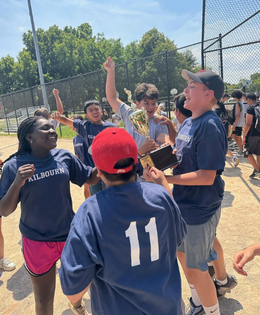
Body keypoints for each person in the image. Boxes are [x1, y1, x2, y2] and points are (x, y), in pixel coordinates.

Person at [59, 127, 187, 315]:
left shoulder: (90, 212)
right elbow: (178, 238)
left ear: (99, 171)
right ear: (136, 160)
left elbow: (73, 290)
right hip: (168, 308)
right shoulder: (161, 196)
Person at [0, 116, 99, 315]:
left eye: (52, 127)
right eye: (46, 128)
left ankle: (76, 304)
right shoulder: (14, 166)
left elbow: (91, 176)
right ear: (30, 137)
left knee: (81, 281)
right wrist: (17, 182)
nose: (53, 131)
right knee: (44, 298)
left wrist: (112, 158)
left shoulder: (63, 156)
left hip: (68, 236)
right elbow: (4, 209)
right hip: (37, 241)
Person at [161, 69, 231, 315]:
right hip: (183, 203)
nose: (185, 90)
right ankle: (199, 303)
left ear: (208, 93)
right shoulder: (189, 122)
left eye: (192, 85)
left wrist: (165, 178)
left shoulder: (210, 124)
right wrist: (161, 156)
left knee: (197, 268)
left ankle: (211, 310)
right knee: (184, 258)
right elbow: (182, 157)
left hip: (199, 208)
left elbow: (207, 176)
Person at [104, 57, 176, 156]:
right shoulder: (129, 114)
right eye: (146, 103)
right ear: (137, 104)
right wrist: (111, 72)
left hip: (153, 169)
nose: (151, 107)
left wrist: (156, 149)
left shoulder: (159, 122)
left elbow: (163, 156)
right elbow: (112, 98)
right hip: (132, 167)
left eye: (153, 103)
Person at [52, 100, 116, 195]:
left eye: (96, 109)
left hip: (110, 172)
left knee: (112, 197)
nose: (94, 112)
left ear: (101, 111)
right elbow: (66, 121)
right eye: (90, 110)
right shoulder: (85, 126)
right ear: (86, 115)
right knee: (97, 199)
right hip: (94, 173)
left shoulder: (111, 127)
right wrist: (57, 117)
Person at [214, 99, 239, 167]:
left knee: (221, 146)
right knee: (223, 146)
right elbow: (228, 123)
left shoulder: (215, 112)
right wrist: (228, 132)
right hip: (224, 130)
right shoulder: (225, 112)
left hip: (218, 131)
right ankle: (231, 157)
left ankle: (233, 157)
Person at [71, 114, 91, 199]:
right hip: (83, 167)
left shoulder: (86, 136)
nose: (70, 124)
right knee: (86, 188)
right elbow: (77, 155)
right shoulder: (75, 138)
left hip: (91, 167)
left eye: (72, 122)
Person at [242, 92, 260, 178]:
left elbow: (248, 124)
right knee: (258, 153)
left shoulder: (250, 108)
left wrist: (244, 136)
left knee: (247, 152)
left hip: (252, 134)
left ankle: (257, 169)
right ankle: (258, 170)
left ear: (249, 99)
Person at [231, 90, 245, 156]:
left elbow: (238, 115)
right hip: (240, 122)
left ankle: (241, 149)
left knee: (238, 136)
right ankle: (241, 148)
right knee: (234, 135)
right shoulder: (241, 103)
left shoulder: (237, 104)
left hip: (238, 123)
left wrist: (234, 124)